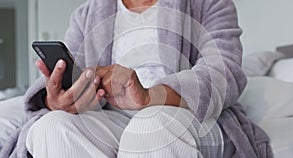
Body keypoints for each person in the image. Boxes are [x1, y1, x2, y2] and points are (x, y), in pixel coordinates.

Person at [0, 0, 273, 157]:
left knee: (150, 125)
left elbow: (223, 72)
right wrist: (58, 99)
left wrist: (149, 96)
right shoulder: (87, 13)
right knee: (52, 126)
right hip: (111, 117)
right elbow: (73, 75)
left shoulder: (208, 4)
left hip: (185, 115)